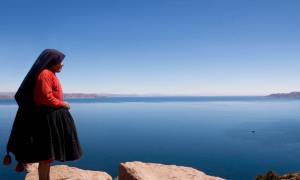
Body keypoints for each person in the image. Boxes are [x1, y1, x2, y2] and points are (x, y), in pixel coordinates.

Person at [3, 49, 82, 180]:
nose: (63, 64)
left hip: (49, 119)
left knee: (47, 157)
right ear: (53, 62)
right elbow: (45, 98)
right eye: (61, 62)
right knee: (45, 156)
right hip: (47, 121)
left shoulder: (50, 74)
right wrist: (63, 104)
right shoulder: (45, 74)